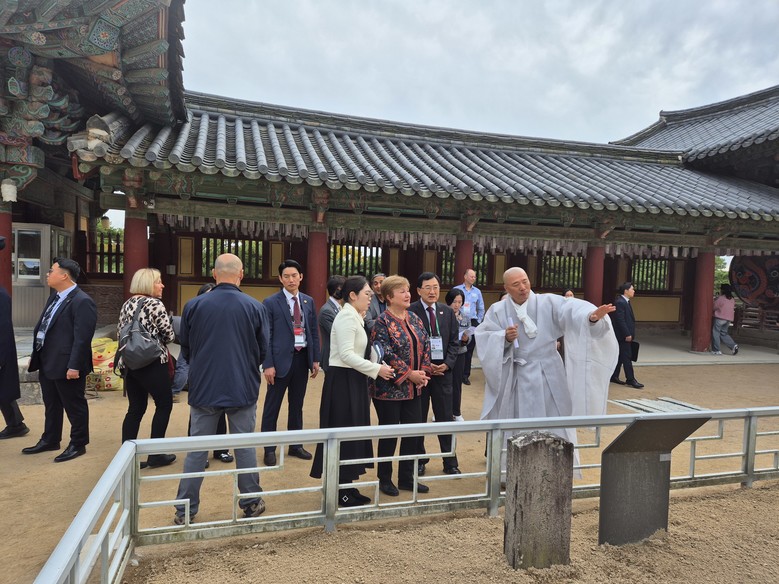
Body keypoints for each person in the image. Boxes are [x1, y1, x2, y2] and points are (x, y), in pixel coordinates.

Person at [474, 267, 618, 462]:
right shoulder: (498, 310)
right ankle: (513, 469)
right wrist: (504, 338)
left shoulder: (548, 302)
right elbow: (484, 336)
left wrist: (591, 317)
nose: (523, 287)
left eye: (525, 281)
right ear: (506, 288)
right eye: (516, 284)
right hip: (516, 374)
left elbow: (572, 309)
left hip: (548, 371)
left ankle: (556, 465)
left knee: (554, 418)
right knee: (516, 422)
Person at [174, 253, 269, 524]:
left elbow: (187, 348)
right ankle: (251, 501)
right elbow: (263, 349)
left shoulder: (194, 305)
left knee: (197, 450)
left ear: (214, 274)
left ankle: (185, 509)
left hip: (204, 387)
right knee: (244, 446)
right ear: (241, 274)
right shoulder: (254, 306)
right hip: (242, 386)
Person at [311, 276, 394, 507]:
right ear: (352, 295)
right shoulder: (346, 317)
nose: (371, 297)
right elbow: (346, 355)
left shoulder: (354, 316)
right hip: (343, 382)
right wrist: (377, 369)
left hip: (353, 380)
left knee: (351, 434)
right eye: (367, 293)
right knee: (344, 433)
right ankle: (341, 491)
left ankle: (347, 485)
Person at [24, 258, 97, 462]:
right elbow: (44, 328)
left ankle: (78, 443)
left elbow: (82, 338)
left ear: (64, 275)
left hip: (67, 364)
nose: (47, 274)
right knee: (51, 404)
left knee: (74, 405)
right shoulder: (55, 297)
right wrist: (36, 354)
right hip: (48, 359)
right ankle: (50, 439)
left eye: (52, 271)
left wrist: (74, 365)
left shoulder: (82, 301)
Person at [370, 275, 431, 496]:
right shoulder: (382, 322)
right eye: (401, 291)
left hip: (415, 388)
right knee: (389, 435)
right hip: (389, 389)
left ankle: (407, 478)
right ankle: (384, 479)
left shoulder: (414, 317)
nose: (407, 295)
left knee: (412, 434)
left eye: (407, 290)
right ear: (389, 296)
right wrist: (409, 374)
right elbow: (385, 352)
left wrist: (423, 372)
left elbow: (425, 344)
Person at [261, 259, 320, 466]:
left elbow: (313, 331)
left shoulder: (308, 301)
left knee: (297, 405)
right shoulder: (270, 302)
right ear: (280, 279)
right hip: (278, 363)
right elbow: (266, 335)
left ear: (301, 277)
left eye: (294, 275)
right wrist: (268, 364)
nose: (291, 279)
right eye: (286, 276)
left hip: (301, 358)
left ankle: (295, 445)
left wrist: (315, 358)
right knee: (272, 406)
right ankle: (269, 449)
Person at [172, 283, 234, 466]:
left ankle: (221, 449)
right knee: (199, 411)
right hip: (200, 367)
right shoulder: (193, 311)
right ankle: (199, 452)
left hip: (221, 367)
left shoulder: (223, 314)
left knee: (221, 408)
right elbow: (185, 341)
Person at [409, 272, 461, 475]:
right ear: (419, 290)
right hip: (421, 375)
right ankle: (419, 460)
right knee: (418, 418)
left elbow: (455, 342)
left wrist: (447, 364)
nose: (432, 291)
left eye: (436, 287)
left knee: (445, 417)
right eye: (428, 287)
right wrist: (425, 365)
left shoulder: (446, 312)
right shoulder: (411, 311)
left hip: (443, 374)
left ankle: (450, 461)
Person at [0, 275, 28, 439]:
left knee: (4, 388)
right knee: (3, 388)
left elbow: (3, 327)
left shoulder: (1, 295)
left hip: (2, 349)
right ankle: (16, 424)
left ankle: (16, 425)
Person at [611, 282, 644, 389]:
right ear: (626, 291)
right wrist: (627, 334)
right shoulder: (620, 302)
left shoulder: (625, 301)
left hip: (623, 335)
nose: (634, 291)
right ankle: (630, 379)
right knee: (627, 357)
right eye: (632, 289)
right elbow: (620, 320)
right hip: (623, 336)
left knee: (620, 357)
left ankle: (614, 376)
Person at [454, 268, 484, 386]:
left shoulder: (477, 291)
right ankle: (456, 371)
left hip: (472, 321)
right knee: (458, 345)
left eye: (475, 276)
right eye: (471, 276)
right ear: (465, 276)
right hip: (459, 319)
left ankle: (465, 375)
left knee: (469, 348)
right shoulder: (457, 289)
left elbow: (481, 308)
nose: (473, 278)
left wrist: (478, 321)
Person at [445, 288, 470, 423]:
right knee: (444, 384)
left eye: (460, 302)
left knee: (457, 384)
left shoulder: (465, 317)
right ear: (449, 301)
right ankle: (442, 412)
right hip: (446, 354)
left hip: (460, 353)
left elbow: (469, 335)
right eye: (454, 301)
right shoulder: (442, 314)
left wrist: (466, 339)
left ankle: (456, 412)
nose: (457, 305)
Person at [318, 275, 346, 373]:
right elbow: (337, 333)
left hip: (339, 357)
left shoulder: (339, 307)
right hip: (331, 357)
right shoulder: (327, 310)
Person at [712, 284, 738, 356]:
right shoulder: (732, 299)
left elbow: (714, 307)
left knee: (716, 333)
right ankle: (733, 345)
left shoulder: (721, 298)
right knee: (724, 333)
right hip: (728, 319)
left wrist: (714, 300)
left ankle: (716, 350)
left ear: (722, 290)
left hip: (720, 318)